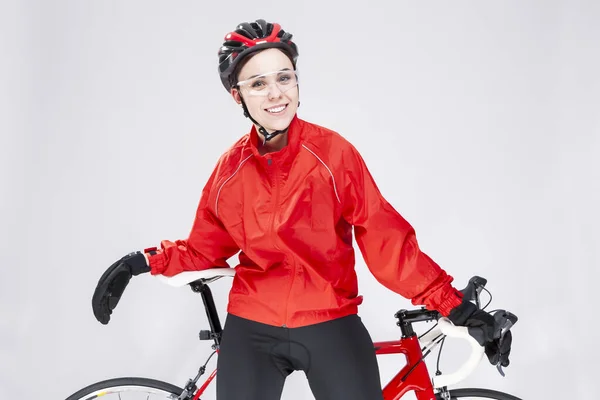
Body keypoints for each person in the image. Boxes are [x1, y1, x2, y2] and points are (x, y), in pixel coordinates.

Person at [92, 19, 512, 400]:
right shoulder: (230, 170)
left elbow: (385, 241)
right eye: (258, 84)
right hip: (252, 327)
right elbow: (206, 249)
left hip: (329, 322)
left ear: (297, 82)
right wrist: (141, 262)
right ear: (237, 95)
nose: (276, 93)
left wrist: (453, 304)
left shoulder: (333, 154)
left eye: (284, 77)